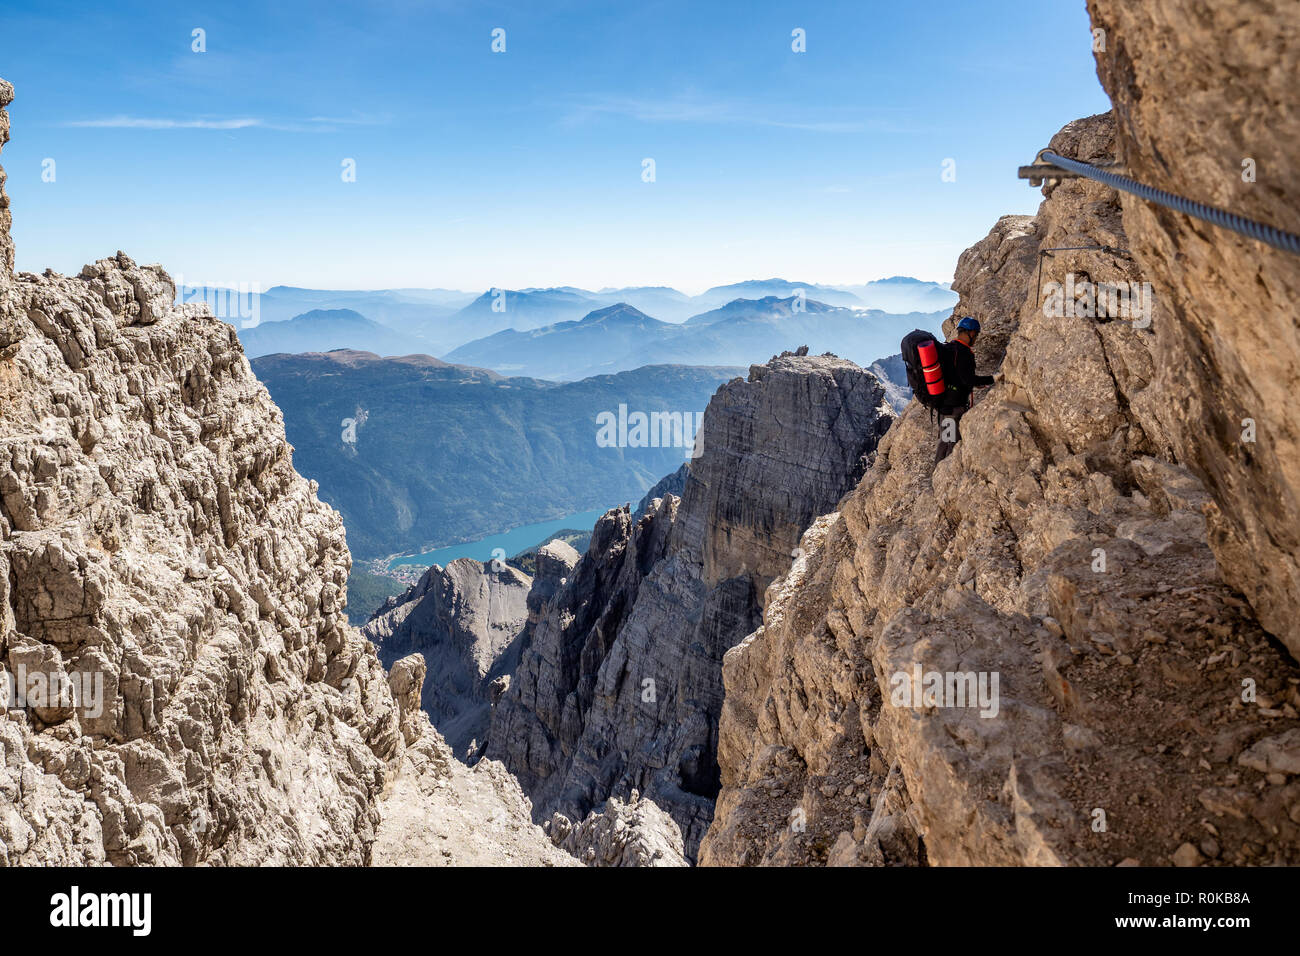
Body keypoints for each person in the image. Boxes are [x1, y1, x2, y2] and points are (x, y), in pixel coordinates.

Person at [935, 316, 995, 464]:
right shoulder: (963, 352)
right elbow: (968, 379)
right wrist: (993, 379)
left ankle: (939, 474)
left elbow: (958, 376)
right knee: (951, 444)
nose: (976, 338)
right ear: (972, 333)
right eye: (976, 334)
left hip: (946, 404)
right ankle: (943, 478)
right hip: (953, 406)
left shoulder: (949, 348)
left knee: (945, 440)